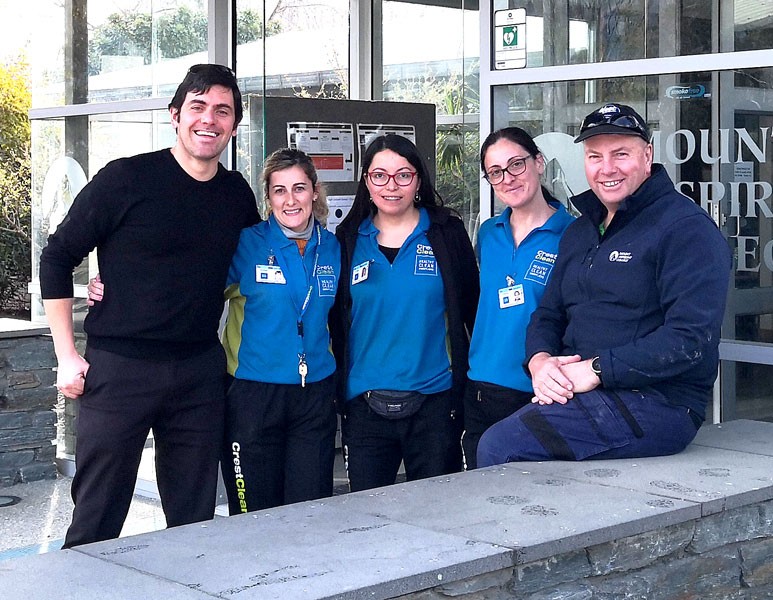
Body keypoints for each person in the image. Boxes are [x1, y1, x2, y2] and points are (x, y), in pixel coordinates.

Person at [39, 64, 260, 548]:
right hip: (120, 370)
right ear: (175, 115)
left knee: (193, 518)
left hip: (199, 370)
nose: (209, 119)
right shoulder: (126, 179)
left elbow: (252, 271)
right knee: (98, 516)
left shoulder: (237, 195)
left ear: (234, 125)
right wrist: (66, 355)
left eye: (222, 110)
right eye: (198, 107)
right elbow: (56, 257)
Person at [477, 103, 731, 467]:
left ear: (647, 156)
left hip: (659, 402)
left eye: (620, 154)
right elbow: (548, 313)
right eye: (595, 156)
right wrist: (540, 360)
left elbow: (690, 338)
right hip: (582, 392)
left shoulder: (686, 228)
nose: (606, 168)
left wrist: (596, 370)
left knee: (502, 447)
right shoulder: (581, 230)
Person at [331, 134, 479, 491]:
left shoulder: (445, 232)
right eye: (379, 175)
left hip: (435, 402)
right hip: (365, 406)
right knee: (369, 520)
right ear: (366, 181)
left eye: (403, 175)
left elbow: (472, 311)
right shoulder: (348, 237)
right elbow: (335, 321)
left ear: (418, 180)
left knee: (437, 517)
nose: (391, 186)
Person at [220, 148, 340, 513]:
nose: (291, 200)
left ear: (315, 192)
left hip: (314, 393)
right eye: (279, 190)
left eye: (299, 188)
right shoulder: (245, 244)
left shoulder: (333, 247)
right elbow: (190, 291)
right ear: (268, 197)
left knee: (309, 511)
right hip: (254, 394)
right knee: (253, 512)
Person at [462, 127, 574, 469]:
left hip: (537, 388)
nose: (507, 178)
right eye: (495, 172)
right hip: (480, 385)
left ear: (539, 163)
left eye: (516, 165)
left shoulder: (572, 235)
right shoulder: (488, 233)